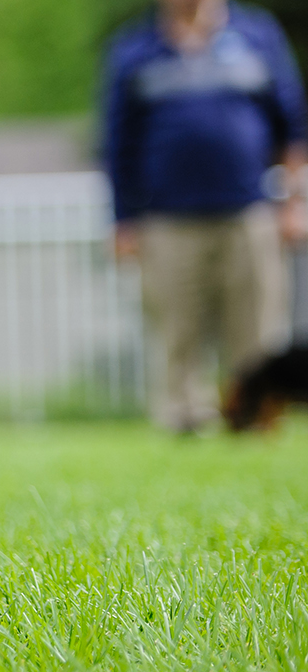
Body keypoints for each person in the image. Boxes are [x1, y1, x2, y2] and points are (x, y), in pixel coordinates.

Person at [103, 0, 308, 433]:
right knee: (177, 327)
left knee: (257, 327)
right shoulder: (135, 50)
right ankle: (184, 419)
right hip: (166, 218)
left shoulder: (256, 36)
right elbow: (118, 143)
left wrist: (295, 203)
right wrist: (123, 220)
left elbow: (292, 127)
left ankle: (256, 417)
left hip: (248, 210)